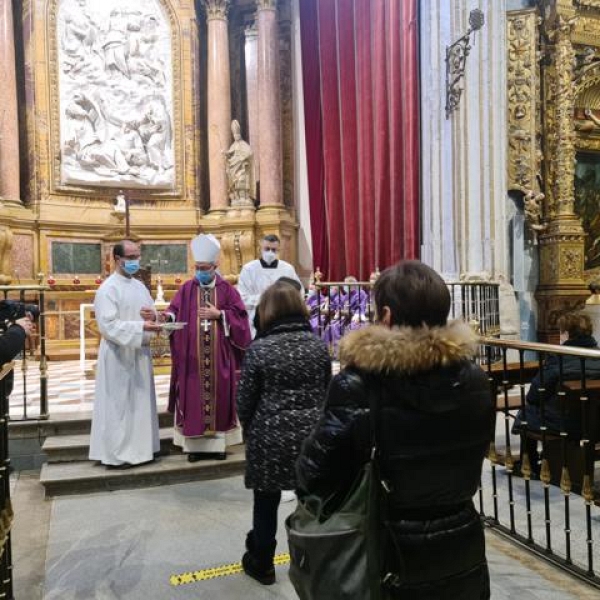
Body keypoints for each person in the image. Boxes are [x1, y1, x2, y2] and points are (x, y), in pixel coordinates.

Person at [296, 260, 494, 599]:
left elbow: (314, 477)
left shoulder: (359, 385)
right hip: (461, 546)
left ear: (385, 315)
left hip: (386, 552)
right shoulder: (474, 380)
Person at [236, 281, 332, 585]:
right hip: (312, 437)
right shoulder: (317, 346)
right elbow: (328, 391)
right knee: (313, 502)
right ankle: (316, 561)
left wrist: (252, 431)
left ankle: (262, 563)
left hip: (269, 437)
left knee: (265, 504)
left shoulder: (259, 349)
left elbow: (244, 402)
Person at [166, 234, 251, 461]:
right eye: (198, 267)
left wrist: (220, 314)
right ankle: (194, 448)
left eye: (205, 268)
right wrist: (164, 317)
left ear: (215, 266)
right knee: (193, 399)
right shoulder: (186, 289)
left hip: (219, 358)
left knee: (220, 398)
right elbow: (172, 311)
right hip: (192, 358)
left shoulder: (227, 290)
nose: (200, 272)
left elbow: (242, 319)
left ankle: (217, 447)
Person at [89, 240, 162, 468]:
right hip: (118, 355)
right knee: (119, 404)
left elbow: (151, 314)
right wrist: (140, 328)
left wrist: (154, 317)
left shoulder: (140, 287)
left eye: (137, 256)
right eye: (130, 257)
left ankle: (141, 450)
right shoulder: (108, 289)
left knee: (139, 402)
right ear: (117, 259)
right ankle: (117, 453)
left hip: (139, 353)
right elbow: (107, 326)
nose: (134, 261)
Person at [513, 312, 600, 476]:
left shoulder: (559, 359)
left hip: (565, 424)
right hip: (595, 424)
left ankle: (529, 464)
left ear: (566, 334)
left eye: (561, 332)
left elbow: (534, 394)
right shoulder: (597, 355)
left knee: (526, 411)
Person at [237, 234, 302, 338]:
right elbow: (242, 298)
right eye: (267, 249)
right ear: (260, 248)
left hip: (283, 319)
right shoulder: (249, 269)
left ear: (278, 250)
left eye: (274, 250)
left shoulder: (287, 269)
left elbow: (298, 294)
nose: (270, 252)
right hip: (257, 318)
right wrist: (269, 298)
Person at [224, 119, 255, 206]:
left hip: (242, 167)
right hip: (234, 167)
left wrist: (242, 158)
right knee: (235, 183)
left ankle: (244, 197)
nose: (235, 136)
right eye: (234, 135)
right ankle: (236, 198)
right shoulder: (233, 145)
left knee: (242, 182)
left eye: (237, 135)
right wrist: (225, 154)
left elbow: (250, 153)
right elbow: (230, 153)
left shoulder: (244, 144)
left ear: (239, 135)